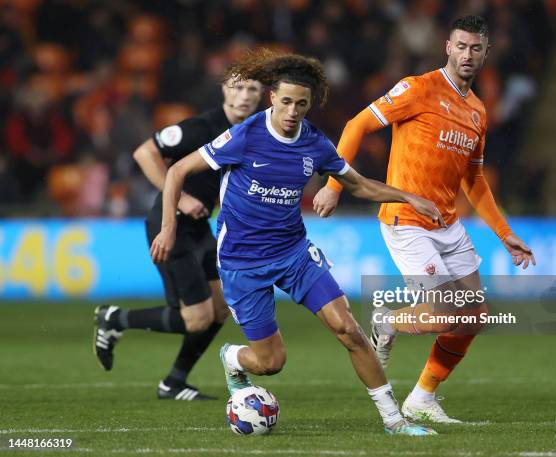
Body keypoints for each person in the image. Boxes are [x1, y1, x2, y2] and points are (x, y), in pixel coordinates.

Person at [150, 49, 441, 436]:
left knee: (349, 330)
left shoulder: (315, 144)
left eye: (301, 105)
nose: (292, 112)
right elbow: (178, 172)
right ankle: (233, 357)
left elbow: (358, 184)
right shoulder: (246, 135)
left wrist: (409, 197)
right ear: (272, 97)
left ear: (309, 105)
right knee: (271, 363)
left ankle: (394, 420)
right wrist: (169, 227)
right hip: (242, 262)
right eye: (285, 102)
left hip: (294, 253)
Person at [313, 15, 536, 423]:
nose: (468, 55)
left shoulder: (477, 111)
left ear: (486, 53)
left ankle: (422, 398)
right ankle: (388, 321)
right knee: (443, 313)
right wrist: (334, 184)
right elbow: (356, 124)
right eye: (461, 46)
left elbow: (475, 179)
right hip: (406, 219)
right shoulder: (418, 89)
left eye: (476, 48)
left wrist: (505, 234)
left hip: (447, 224)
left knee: (473, 316)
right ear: (447, 47)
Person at [93, 74, 264, 401]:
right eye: (238, 87)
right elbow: (145, 153)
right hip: (169, 223)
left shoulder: (252, 131)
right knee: (196, 318)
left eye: (252, 88)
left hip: (199, 228)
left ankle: (174, 382)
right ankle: (114, 318)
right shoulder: (201, 127)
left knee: (220, 307)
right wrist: (183, 197)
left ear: (262, 96)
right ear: (225, 90)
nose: (244, 95)